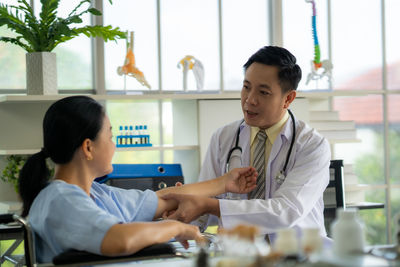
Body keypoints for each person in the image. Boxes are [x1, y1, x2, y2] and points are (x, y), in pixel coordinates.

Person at [18, 95, 258, 263]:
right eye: (110, 137)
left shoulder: (96, 193)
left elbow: (163, 198)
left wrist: (224, 183)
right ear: (88, 148)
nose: (114, 146)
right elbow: (119, 240)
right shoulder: (62, 201)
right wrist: (175, 227)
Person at [162, 46, 331, 243]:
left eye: (264, 92)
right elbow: (202, 211)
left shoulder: (312, 145)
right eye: (246, 87)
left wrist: (206, 205)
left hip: (297, 255)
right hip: (237, 254)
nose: (249, 100)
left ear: (288, 98)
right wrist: (181, 212)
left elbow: (287, 211)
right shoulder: (223, 138)